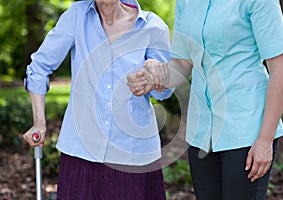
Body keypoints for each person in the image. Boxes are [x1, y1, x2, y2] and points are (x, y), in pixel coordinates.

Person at [127, 0, 283, 199]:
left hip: (246, 130)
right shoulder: (186, 2)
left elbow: (280, 68)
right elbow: (182, 63)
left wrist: (265, 140)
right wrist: (153, 78)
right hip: (202, 132)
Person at [22, 0, 173, 199]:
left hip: (133, 155)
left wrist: (153, 79)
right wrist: (39, 122)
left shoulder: (152, 27)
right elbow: (39, 67)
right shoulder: (76, 16)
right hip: (81, 153)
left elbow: (164, 93)